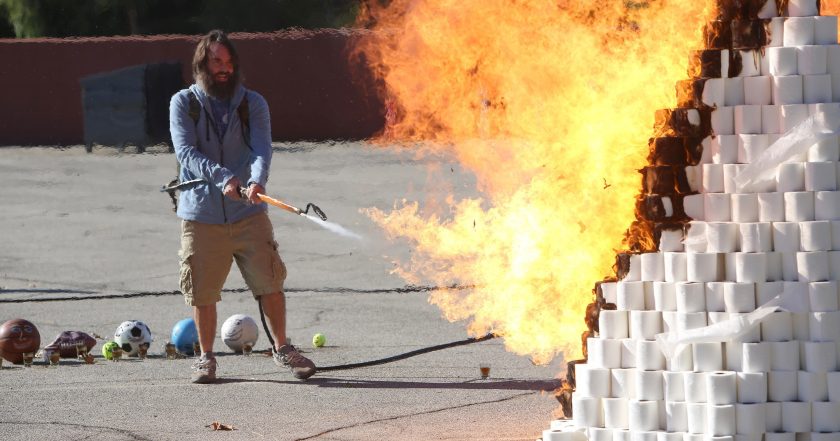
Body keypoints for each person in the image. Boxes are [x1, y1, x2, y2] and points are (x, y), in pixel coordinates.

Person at [169, 29, 315, 383]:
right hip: (201, 215)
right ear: (203, 63)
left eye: (230, 62)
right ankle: (206, 359)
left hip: (249, 213)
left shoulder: (253, 103)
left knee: (270, 282)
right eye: (217, 62)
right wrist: (223, 178)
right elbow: (186, 153)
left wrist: (256, 182)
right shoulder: (183, 103)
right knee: (203, 291)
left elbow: (261, 149)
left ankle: (283, 348)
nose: (225, 69)